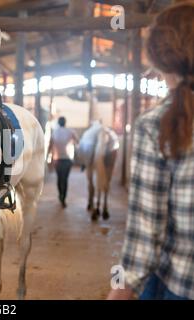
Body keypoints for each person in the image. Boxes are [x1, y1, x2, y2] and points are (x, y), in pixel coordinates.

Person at [107, 2, 194, 300]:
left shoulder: (155, 124)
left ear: (158, 60)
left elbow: (146, 231)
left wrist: (121, 287)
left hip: (180, 283)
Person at [47, 116, 79, 208]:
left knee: (59, 178)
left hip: (57, 159)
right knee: (65, 179)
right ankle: (63, 198)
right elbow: (78, 143)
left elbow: (50, 145)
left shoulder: (54, 132)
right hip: (68, 159)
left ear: (58, 123)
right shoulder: (71, 131)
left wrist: (47, 158)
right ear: (65, 123)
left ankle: (60, 195)